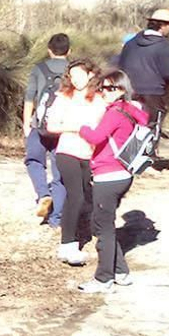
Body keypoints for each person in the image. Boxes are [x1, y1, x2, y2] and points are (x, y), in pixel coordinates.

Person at [77, 69, 150, 294]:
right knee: (105, 224)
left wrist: (82, 128)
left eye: (110, 88)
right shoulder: (131, 110)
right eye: (102, 88)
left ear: (122, 89)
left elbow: (96, 137)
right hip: (123, 174)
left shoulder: (115, 112)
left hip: (108, 175)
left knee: (102, 228)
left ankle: (103, 278)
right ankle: (120, 272)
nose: (105, 92)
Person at [45, 58, 106, 266]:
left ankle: (76, 238)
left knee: (85, 197)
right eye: (72, 76)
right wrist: (75, 127)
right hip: (68, 150)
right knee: (76, 196)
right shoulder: (64, 97)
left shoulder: (100, 98)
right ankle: (67, 244)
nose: (75, 79)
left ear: (90, 74)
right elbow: (52, 126)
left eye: (80, 74)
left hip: (89, 153)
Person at [22, 32, 70, 224]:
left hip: (40, 125)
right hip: (66, 128)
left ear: (49, 50)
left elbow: (29, 98)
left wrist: (27, 124)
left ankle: (43, 194)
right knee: (60, 172)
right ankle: (56, 218)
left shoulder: (38, 68)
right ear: (69, 51)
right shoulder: (75, 70)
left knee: (34, 161)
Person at [119, 8, 169, 129]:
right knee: (151, 130)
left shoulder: (130, 43)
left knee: (130, 129)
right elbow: (167, 73)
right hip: (154, 94)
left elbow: (121, 67)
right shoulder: (163, 45)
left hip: (129, 92)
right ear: (163, 26)